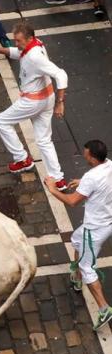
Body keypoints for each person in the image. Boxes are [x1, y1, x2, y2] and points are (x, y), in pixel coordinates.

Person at [0, 22, 68, 188]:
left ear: (29, 38)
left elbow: (61, 75)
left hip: (33, 101)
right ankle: (58, 179)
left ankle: (22, 159)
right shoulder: (35, 45)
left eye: (19, 40)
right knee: (44, 140)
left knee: (2, 121)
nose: (16, 43)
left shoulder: (35, 56)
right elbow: (19, 53)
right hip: (47, 97)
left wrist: (60, 103)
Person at [45, 140, 112, 330]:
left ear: (91, 156)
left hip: (95, 229)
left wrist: (52, 189)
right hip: (106, 222)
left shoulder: (92, 177)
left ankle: (104, 308)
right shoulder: (109, 165)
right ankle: (76, 277)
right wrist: (83, 183)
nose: (83, 154)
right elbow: (102, 182)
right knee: (75, 240)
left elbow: (72, 201)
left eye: (85, 153)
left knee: (87, 266)